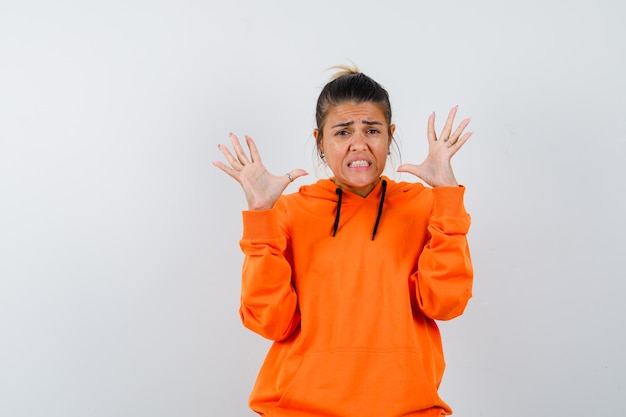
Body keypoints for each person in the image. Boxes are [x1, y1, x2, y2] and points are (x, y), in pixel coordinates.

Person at [213, 65, 473, 417]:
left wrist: (446, 197)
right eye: (342, 131)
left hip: (408, 409)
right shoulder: (290, 212)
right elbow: (270, 322)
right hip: (299, 409)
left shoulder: (425, 206)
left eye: (372, 130)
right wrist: (261, 216)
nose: (359, 144)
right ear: (320, 140)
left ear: (390, 136)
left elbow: (444, 304)